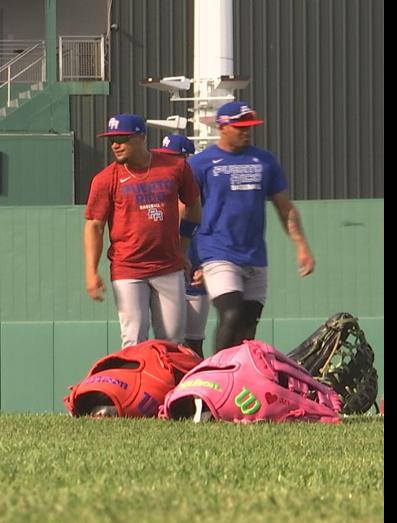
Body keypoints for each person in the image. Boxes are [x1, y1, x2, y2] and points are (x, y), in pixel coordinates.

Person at [188, 100, 315, 352]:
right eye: (240, 127)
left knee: (247, 327)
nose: (246, 131)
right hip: (217, 252)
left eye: (249, 127)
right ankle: (217, 376)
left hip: (255, 256)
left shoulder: (264, 161)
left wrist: (302, 246)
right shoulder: (200, 164)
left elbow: (284, 207)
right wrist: (194, 259)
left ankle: (239, 382)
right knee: (232, 313)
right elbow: (186, 212)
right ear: (222, 127)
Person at [83, 114, 200, 350]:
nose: (115, 145)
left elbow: (193, 205)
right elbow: (94, 225)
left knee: (173, 343)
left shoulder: (175, 167)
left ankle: (170, 387)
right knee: (134, 340)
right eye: (112, 140)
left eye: (123, 138)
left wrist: (183, 247)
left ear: (141, 137)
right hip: (128, 269)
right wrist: (91, 272)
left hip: (168, 267)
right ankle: (137, 388)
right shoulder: (106, 179)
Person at [154, 132, 208, 355]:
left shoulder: (201, 197)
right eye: (164, 158)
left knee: (193, 345)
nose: (167, 164)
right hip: (166, 273)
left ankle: (198, 389)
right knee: (168, 345)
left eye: (173, 158)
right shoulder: (159, 193)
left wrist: (208, 264)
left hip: (194, 274)